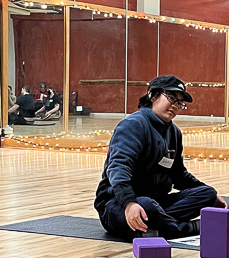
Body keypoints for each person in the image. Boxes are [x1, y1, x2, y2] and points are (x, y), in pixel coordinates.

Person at [94, 74, 221, 239]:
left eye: (180, 103)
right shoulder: (134, 125)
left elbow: (178, 174)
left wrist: (211, 195)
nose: (175, 106)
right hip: (118, 204)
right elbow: (118, 168)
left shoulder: (174, 132)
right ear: (152, 96)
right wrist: (130, 203)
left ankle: (156, 225)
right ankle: (184, 228)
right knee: (147, 206)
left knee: (207, 193)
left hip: (156, 202)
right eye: (171, 98)